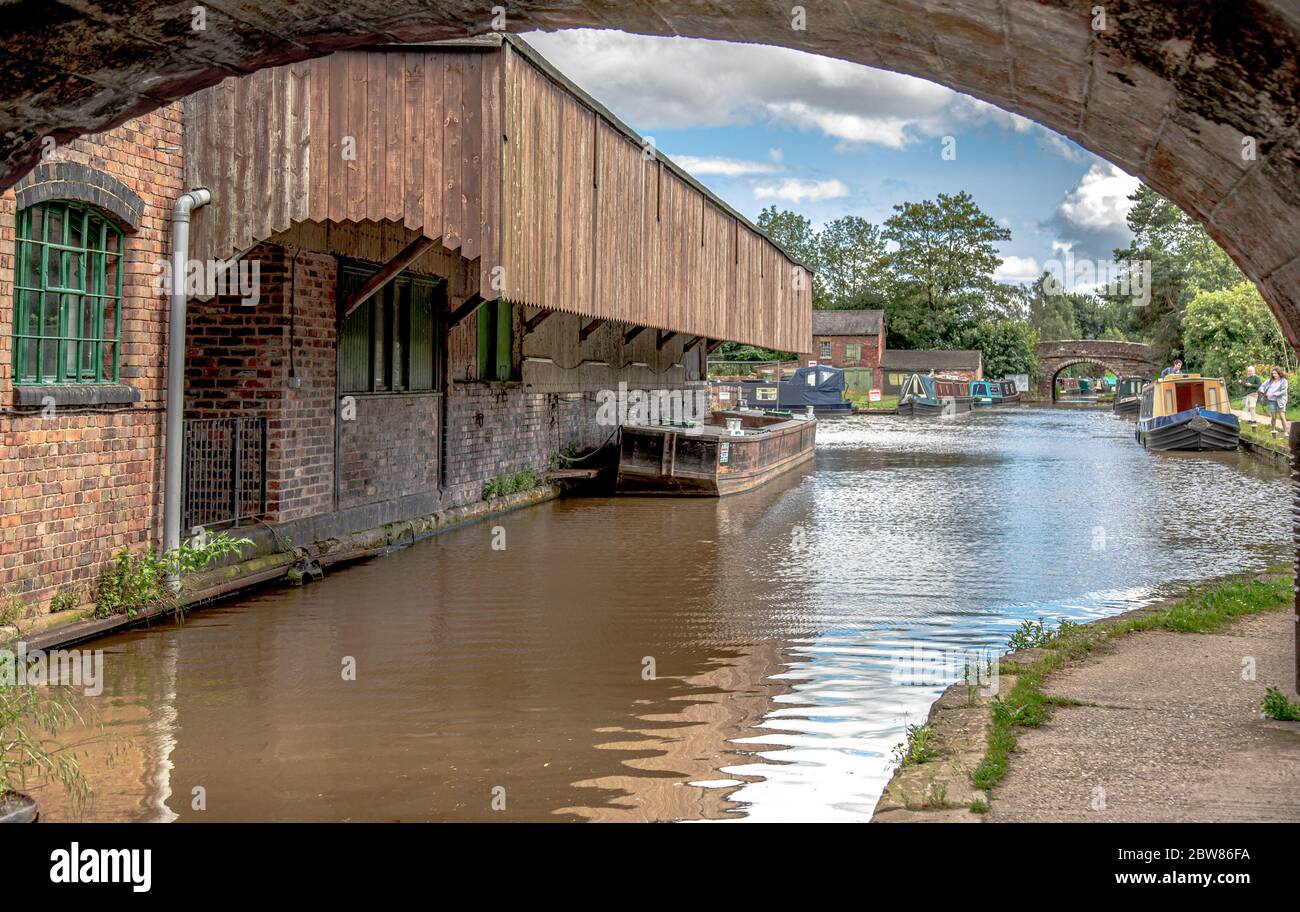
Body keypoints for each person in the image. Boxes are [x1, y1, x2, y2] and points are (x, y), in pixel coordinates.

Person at [1260, 368, 1289, 438]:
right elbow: (1262, 387)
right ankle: (1273, 430)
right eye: (1273, 373)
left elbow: (1284, 391)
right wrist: (1263, 391)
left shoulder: (1284, 381)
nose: (1274, 375)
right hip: (1271, 401)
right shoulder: (1270, 381)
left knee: (1282, 416)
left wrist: (1274, 394)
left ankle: (1286, 432)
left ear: (1279, 373)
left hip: (1280, 401)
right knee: (1273, 417)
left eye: (1275, 373)